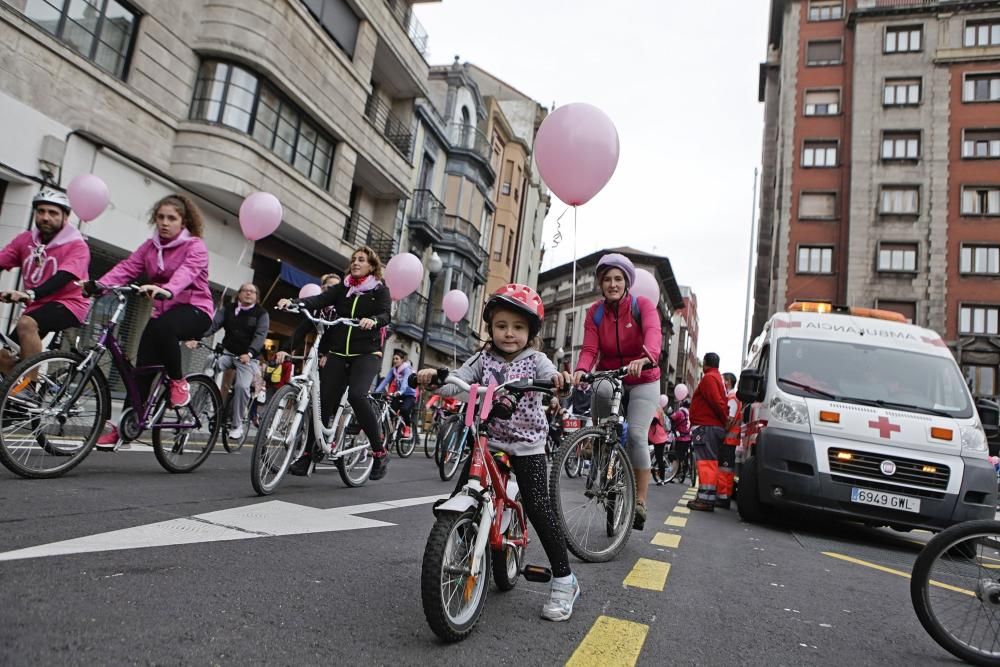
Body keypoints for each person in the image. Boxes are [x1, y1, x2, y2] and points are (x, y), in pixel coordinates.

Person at [415, 283, 580, 622]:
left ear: (531, 332)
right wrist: (434, 378)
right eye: (502, 326)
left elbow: (552, 378)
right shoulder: (481, 358)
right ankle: (457, 547)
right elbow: (456, 382)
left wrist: (559, 383)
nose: (509, 333)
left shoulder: (537, 360)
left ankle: (565, 579)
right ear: (490, 327)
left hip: (527, 444)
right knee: (461, 493)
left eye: (518, 327)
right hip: (486, 440)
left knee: (538, 506)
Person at [91, 194, 213, 445]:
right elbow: (127, 268)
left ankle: (178, 383)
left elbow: (187, 272)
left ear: (183, 222)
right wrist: (99, 285)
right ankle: (128, 425)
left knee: (163, 328)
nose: (165, 223)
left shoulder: (195, 246)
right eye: (160, 217)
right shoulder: (150, 247)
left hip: (196, 310)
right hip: (163, 314)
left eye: (172, 218)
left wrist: (168, 289)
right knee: (141, 371)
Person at [276, 246, 391, 479]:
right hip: (339, 351)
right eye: (354, 259)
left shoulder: (379, 290)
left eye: (361, 260)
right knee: (323, 403)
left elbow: (386, 314)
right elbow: (320, 299)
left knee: (357, 396)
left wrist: (373, 320)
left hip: (366, 353)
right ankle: (308, 454)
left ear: (372, 266)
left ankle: (379, 452)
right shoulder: (343, 288)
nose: (356, 263)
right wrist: (294, 302)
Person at [572, 253, 661, 531]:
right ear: (601, 283)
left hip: (643, 376)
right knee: (600, 402)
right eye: (607, 279)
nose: (612, 284)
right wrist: (580, 369)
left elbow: (654, 334)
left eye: (618, 279)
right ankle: (601, 447)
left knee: (635, 435)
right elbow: (589, 349)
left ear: (627, 282)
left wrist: (645, 357)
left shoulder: (642, 306)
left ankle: (640, 502)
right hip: (610, 374)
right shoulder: (595, 312)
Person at [0, 188, 91, 375]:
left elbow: (63, 276)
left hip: (69, 305)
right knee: (3, 357)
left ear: (65, 216)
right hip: (36, 308)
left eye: (53, 213)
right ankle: (13, 397)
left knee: (26, 323)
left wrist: (30, 294)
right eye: (41, 211)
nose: (46, 217)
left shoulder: (77, 245)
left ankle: (29, 389)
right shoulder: (26, 240)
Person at [184, 283, 269, 441]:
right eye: (245, 291)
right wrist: (198, 338)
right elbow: (214, 325)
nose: (248, 294)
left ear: (257, 297)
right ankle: (192, 413)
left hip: (247, 358)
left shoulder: (261, 313)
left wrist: (250, 353)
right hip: (228, 353)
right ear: (239, 294)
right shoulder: (229, 308)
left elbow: (260, 336)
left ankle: (237, 426)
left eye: (252, 292)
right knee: (209, 365)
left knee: (242, 386)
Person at [686, 353, 729, 511]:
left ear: (705, 364)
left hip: (707, 426)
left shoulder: (709, 378)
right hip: (712, 426)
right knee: (708, 462)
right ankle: (706, 497)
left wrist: (724, 419)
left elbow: (716, 401)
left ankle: (705, 500)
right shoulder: (718, 378)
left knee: (706, 463)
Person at [374, 349, 416, 439]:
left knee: (404, 410)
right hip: (399, 394)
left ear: (402, 360)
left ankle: (408, 427)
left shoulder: (407, 369)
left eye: (397, 359)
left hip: (409, 395)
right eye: (394, 359)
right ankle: (387, 434)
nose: (395, 361)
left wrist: (400, 391)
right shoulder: (393, 370)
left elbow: (405, 382)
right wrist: (376, 392)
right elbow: (385, 381)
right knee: (390, 412)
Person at [716, 372, 742, 509]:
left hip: (728, 441)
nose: (721, 383)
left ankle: (723, 498)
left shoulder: (732, 397)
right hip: (730, 441)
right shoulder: (733, 397)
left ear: (728, 382)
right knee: (726, 470)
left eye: (722, 380)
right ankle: (723, 496)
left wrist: (722, 433)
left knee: (724, 470)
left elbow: (730, 419)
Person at [668, 399, 692, 483]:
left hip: (680, 438)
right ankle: (682, 472)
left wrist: (674, 430)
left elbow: (671, 418)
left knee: (675, 457)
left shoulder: (680, 413)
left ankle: (673, 474)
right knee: (684, 456)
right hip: (688, 438)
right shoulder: (691, 414)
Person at [649, 406, 670, 485]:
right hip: (656, 436)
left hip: (659, 438)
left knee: (659, 458)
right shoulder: (658, 407)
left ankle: (662, 479)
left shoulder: (655, 408)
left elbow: (654, 421)